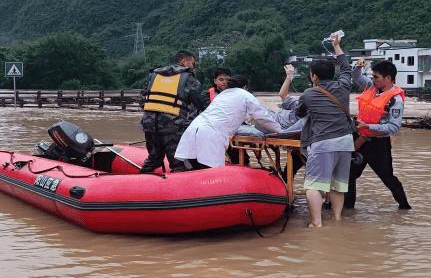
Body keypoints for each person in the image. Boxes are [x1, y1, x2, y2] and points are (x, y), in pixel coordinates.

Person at [294, 33, 354, 227]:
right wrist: (337, 46)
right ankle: (337, 220)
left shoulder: (309, 94)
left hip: (323, 142)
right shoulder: (344, 86)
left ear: (314, 76)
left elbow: (299, 113)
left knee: (313, 186)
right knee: (338, 185)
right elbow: (346, 68)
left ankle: (316, 224)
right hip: (346, 142)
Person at [343, 58, 411, 210]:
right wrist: (357, 68)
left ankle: (405, 207)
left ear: (388, 79)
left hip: (379, 145)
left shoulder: (395, 101)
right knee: (349, 175)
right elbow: (357, 77)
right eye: (372, 77)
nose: (372, 79)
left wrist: (368, 125)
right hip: (361, 140)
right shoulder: (371, 87)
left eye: (376, 77)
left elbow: (393, 127)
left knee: (387, 177)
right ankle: (347, 211)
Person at [175, 75, 280, 169]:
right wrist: (279, 131)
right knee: (210, 171)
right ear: (245, 87)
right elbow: (263, 117)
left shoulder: (222, 95)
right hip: (209, 134)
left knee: (196, 167)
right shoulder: (245, 95)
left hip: (193, 129)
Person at [139, 50, 209, 173]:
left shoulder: (154, 75)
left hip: (149, 123)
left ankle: (140, 184)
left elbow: (143, 100)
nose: (194, 67)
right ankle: (181, 189)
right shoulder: (187, 77)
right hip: (172, 125)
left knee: (154, 159)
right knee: (178, 162)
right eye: (194, 63)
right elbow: (201, 103)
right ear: (186, 61)